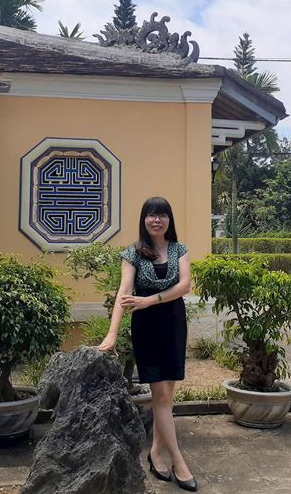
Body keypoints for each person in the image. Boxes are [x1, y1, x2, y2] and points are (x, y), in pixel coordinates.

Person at [98, 196, 197, 492]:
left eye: (162, 215)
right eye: (151, 215)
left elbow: (185, 285)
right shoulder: (133, 253)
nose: (157, 220)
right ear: (143, 219)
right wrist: (112, 333)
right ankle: (179, 461)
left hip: (174, 323)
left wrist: (150, 299)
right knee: (162, 397)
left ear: (169, 220)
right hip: (147, 328)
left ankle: (155, 454)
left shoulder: (179, 249)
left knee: (167, 393)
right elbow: (123, 293)